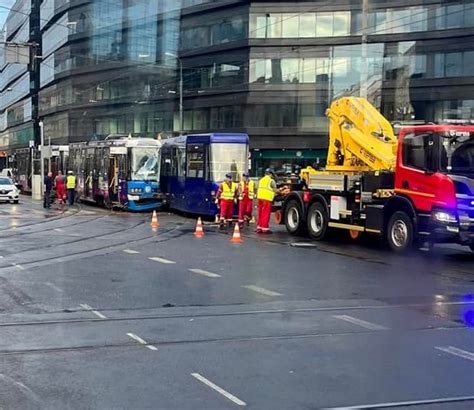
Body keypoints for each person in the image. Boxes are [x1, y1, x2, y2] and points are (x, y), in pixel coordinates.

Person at [256, 168, 278, 234]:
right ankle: (265, 229)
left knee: (260, 213)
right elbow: (275, 190)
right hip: (267, 199)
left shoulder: (261, 180)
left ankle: (259, 228)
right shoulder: (271, 181)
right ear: (271, 174)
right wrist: (280, 192)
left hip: (260, 198)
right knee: (266, 214)